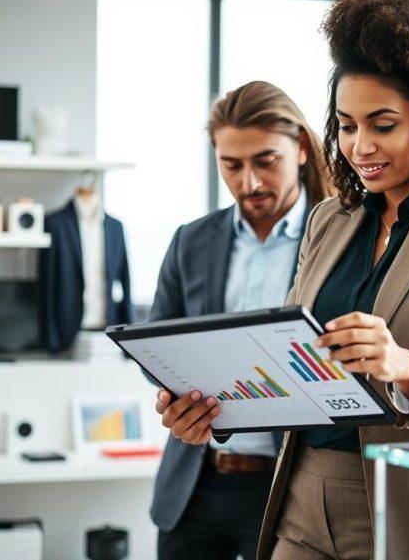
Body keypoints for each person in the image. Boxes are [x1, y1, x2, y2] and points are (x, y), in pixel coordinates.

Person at [157, 0, 409, 558]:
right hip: (303, 495)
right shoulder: (330, 219)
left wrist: (404, 367)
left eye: (383, 125)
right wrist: (215, 411)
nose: (360, 147)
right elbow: (288, 364)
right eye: (347, 125)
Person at [148, 80, 328, 560]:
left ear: (301, 149)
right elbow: (155, 347)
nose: (249, 182)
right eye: (231, 165)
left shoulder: (337, 238)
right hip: (195, 484)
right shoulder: (191, 240)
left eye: (265, 161)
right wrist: (175, 396)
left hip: (288, 486)